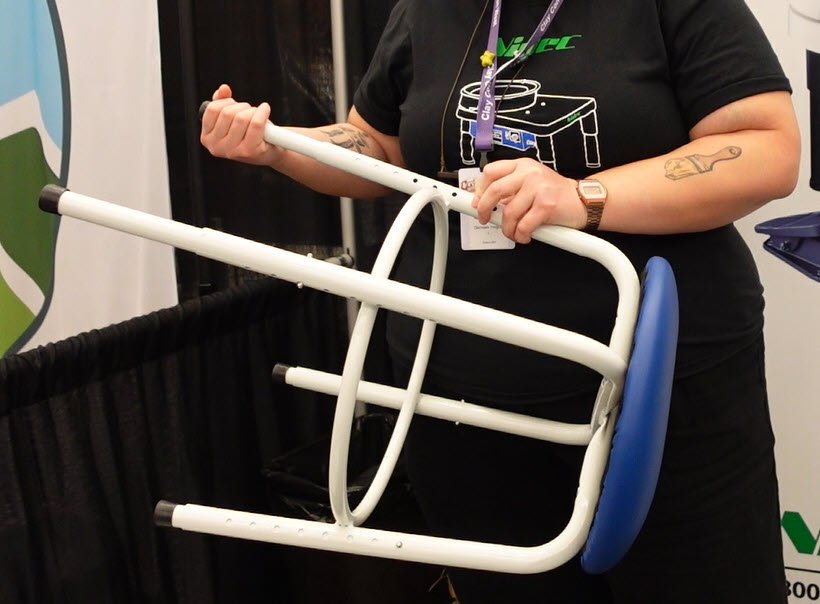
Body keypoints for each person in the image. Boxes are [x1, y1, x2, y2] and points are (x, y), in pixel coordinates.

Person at [200, 1, 801, 602]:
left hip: (660, 395)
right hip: (460, 402)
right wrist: (277, 144)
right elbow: (378, 146)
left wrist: (585, 197)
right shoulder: (427, 9)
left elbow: (767, 148)